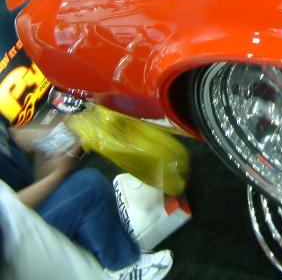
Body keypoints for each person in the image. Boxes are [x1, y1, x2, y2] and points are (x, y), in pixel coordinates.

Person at [0, 114, 173, 280]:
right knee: (88, 188)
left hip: (25, 205)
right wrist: (57, 174)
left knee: (76, 183)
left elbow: (14, 136)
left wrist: (62, 132)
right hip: (19, 234)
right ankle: (124, 266)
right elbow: (12, 210)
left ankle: (109, 253)